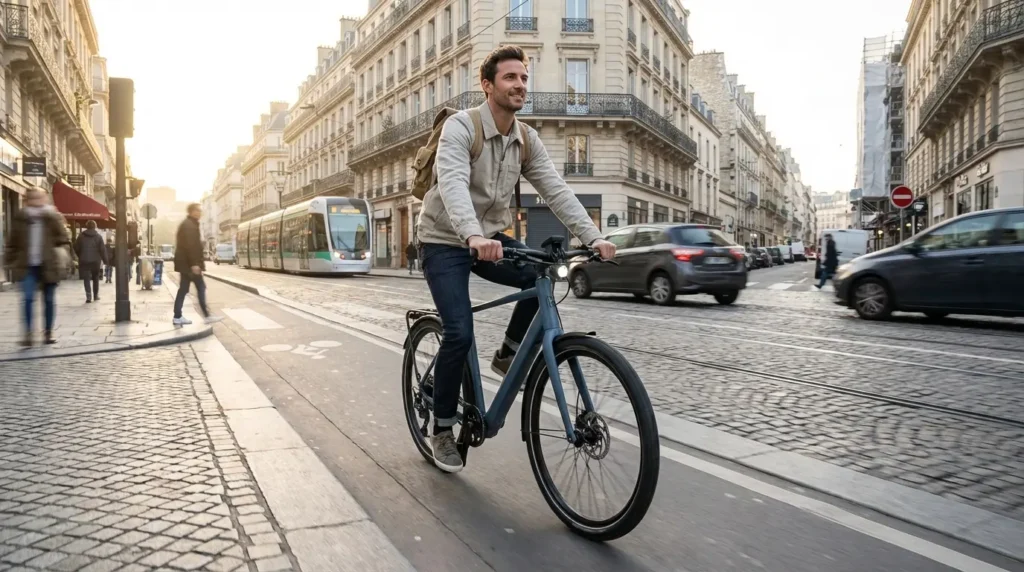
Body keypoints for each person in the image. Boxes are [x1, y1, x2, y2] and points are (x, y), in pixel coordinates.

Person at [417, 46, 616, 473]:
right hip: (444, 239)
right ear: (487, 85)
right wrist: (471, 234)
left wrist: (594, 236)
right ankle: (442, 428)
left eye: (524, 78)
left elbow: (556, 190)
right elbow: (452, 182)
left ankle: (507, 354)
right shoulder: (461, 127)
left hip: (487, 237)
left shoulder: (526, 139)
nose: (520, 85)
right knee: (459, 332)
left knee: (539, 275)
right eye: (510, 77)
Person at [3, 189, 71, 346]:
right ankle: (28, 334)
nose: (36, 201)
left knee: (48, 299)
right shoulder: (21, 218)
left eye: (39, 197)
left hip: (49, 264)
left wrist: (61, 257)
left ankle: (48, 332)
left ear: (45, 199)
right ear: (27, 200)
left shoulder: (52, 217)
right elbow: (12, 242)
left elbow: (63, 238)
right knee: (27, 298)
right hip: (27, 265)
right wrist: (10, 262)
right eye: (32, 198)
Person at [172, 203, 222, 325]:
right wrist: (194, 264)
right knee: (200, 287)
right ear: (192, 212)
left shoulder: (189, 224)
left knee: (184, 289)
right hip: (190, 265)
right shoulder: (189, 225)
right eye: (198, 210)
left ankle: (177, 316)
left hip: (186, 264)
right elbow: (191, 246)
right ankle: (206, 316)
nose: (200, 213)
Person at [74, 220, 108, 303]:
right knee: (95, 278)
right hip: (96, 261)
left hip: (84, 260)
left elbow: (76, 247)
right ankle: (96, 296)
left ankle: (88, 296)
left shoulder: (81, 236)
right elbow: (102, 250)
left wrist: (80, 255)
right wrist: (105, 260)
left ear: (87, 226)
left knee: (86, 278)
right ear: (95, 227)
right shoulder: (98, 237)